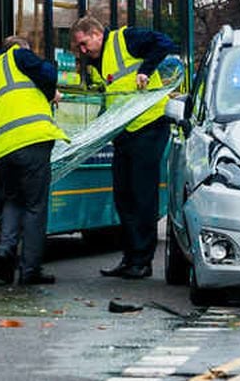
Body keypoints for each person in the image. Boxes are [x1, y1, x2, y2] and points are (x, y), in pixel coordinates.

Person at [70, 15, 179, 279]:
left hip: (148, 125)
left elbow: (164, 42)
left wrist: (146, 70)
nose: (83, 51)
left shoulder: (125, 39)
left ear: (96, 33)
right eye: (79, 47)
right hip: (125, 132)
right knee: (123, 196)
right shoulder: (99, 61)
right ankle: (130, 258)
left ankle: (142, 261)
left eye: (84, 44)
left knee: (142, 196)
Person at [0, 35, 69, 285]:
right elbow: (48, 73)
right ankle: (30, 270)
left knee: (13, 200)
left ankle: (4, 250)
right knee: (35, 206)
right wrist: (52, 92)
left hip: (3, 148)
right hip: (31, 141)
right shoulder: (18, 54)